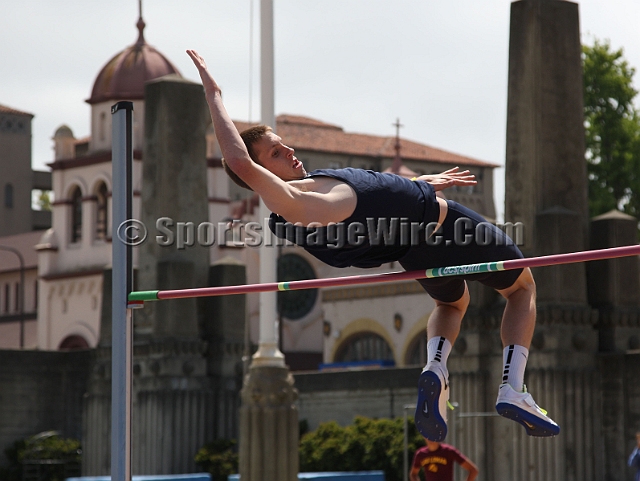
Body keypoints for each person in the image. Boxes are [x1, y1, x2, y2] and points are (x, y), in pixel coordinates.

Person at [186, 49, 560, 441]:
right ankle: (512, 387)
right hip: (444, 223)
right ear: (260, 171)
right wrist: (213, 93)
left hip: (411, 249)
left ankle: (435, 367)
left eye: (285, 144)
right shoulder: (297, 202)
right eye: (276, 153)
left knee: (451, 303)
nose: (289, 151)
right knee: (522, 289)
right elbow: (240, 162)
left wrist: (421, 182)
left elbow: (377, 195)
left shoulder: (298, 210)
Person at [410, 439, 478, 481]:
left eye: (433, 433)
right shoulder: (420, 454)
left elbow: (473, 470)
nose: (430, 437)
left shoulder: (448, 451)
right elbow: (413, 474)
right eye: (428, 434)